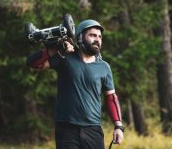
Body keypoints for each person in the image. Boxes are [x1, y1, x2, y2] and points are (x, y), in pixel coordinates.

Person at [26, 19, 124, 149]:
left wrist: (118, 126)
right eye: (92, 35)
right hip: (67, 130)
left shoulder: (104, 67)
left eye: (99, 36)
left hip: (93, 130)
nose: (97, 39)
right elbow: (34, 63)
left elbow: (111, 98)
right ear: (80, 37)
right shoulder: (65, 58)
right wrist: (54, 50)